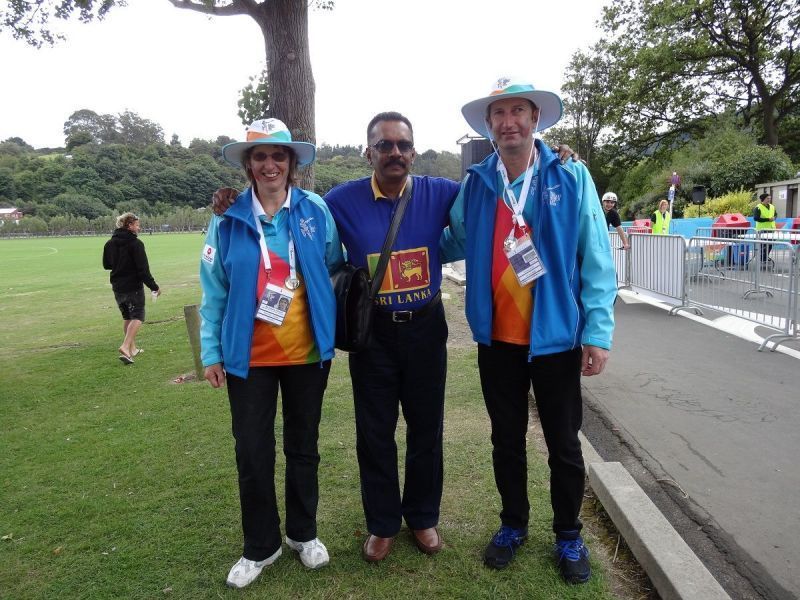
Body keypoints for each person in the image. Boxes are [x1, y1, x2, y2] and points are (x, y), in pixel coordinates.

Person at [440, 77, 617, 584]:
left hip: (557, 338)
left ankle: (568, 534)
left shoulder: (569, 174)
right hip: (498, 339)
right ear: (489, 125)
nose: (509, 121)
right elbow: (453, 238)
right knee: (506, 439)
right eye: (500, 113)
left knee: (564, 442)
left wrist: (598, 332)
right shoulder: (477, 183)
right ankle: (513, 524)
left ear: (535, 119)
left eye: (519, 111)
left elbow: (596, 259)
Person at [199, 118, 344, 588]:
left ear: (292, 163)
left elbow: (333, 266)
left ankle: (303, 534)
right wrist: (210, 353)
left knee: (304, 449)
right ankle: (261, 546)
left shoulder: (315, 209)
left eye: (278, 156)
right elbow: (214, 290)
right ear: (248, 165)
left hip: (306, 356)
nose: (269, 164)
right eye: (259, 156)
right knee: (253, 453)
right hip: (249, 360)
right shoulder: (226, 217)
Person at [102, 212, 160, 364]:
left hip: (117, 286)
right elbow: (143, 270)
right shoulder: (136, 244)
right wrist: (154, 287)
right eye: (137, 225)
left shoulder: (109, 243)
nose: (139, 228)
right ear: (129, 225)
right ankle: (125, 346)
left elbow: (106, 265)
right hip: (133, 286)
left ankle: (132, 349)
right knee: (138, 316)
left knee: (127, 316)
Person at [753, 192, 777, 267]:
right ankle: (762, 258)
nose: (769, 200)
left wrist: (774, 218)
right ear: (763, 199)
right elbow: (756, 218)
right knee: (763, 245)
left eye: (770, 198)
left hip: (771, 228)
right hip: (762, 229)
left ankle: (765, 257)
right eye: (767, 198)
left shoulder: (772, 206)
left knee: (770, 244)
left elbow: (776, 214)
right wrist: (768, 219)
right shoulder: (758, 207)